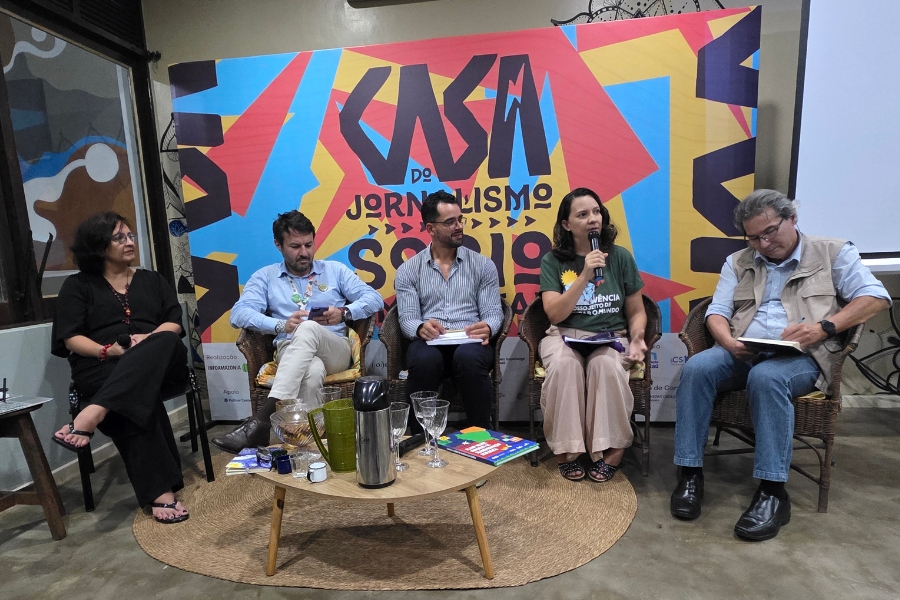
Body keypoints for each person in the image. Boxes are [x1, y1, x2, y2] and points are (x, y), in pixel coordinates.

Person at [671, 189, 891, 541]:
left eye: (770, 231)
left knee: (767, 377)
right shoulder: (739, 261)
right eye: (754, 237)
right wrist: (728, 341)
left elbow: (876, 297)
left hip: (802, 357)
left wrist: (823, 328)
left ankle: (773, 492)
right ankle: (689, 474)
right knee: (697, 368)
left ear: (792, 218)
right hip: (744, 348)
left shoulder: (833, 252)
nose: (764, 243)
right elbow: (717, 312)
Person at [51, 212, 191, 524]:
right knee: (138, 395)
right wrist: (108, 350)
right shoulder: (77, 286)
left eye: (130, 236)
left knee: (166, 340)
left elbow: (174, 324)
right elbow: (71, 339)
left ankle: (92, 412)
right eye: (119, 237)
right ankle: (161, 493)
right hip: (101, 365)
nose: (129, 242)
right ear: (98, 247)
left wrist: (148, 339)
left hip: (161, 362)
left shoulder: (152, 279)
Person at [211, 210, 383, 453]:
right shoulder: (266, 277)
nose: (304, 252)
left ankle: (261, 420)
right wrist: (281, 325)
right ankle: (311, 450)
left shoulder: (334, 270)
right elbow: (238, 315)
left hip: (334, 349)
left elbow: (373, 298)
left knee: (309, 327)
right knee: (312, 372)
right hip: (289, 350)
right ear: (278, 245)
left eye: (309, 244)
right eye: (295, 246)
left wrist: (344, 312)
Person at [538, 188, 647, 483]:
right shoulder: (552, 261)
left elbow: (636, 311)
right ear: (566, 225)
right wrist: (585, 274)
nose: (592, 219)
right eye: (583, 214)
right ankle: (567, 451)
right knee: (565, 367)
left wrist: (637, 337)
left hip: (610, 334)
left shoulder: (621, 257)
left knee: (606, 366)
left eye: (596, 212)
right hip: (564, 334)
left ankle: (611, 451)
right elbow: (554, 314)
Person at [394, 190, 504, 431]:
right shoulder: (409, 270)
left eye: (460, 219)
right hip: (431, 342)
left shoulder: (482, 265)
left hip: (470, 340)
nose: (459, 226)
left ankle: (479, 434)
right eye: (450, 222)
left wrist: (488, 326)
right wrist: (421, 328)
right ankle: (417, 436)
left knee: (468, 357)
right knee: (423, 360)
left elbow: (494, 313)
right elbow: (408, 319)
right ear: (430, 228)